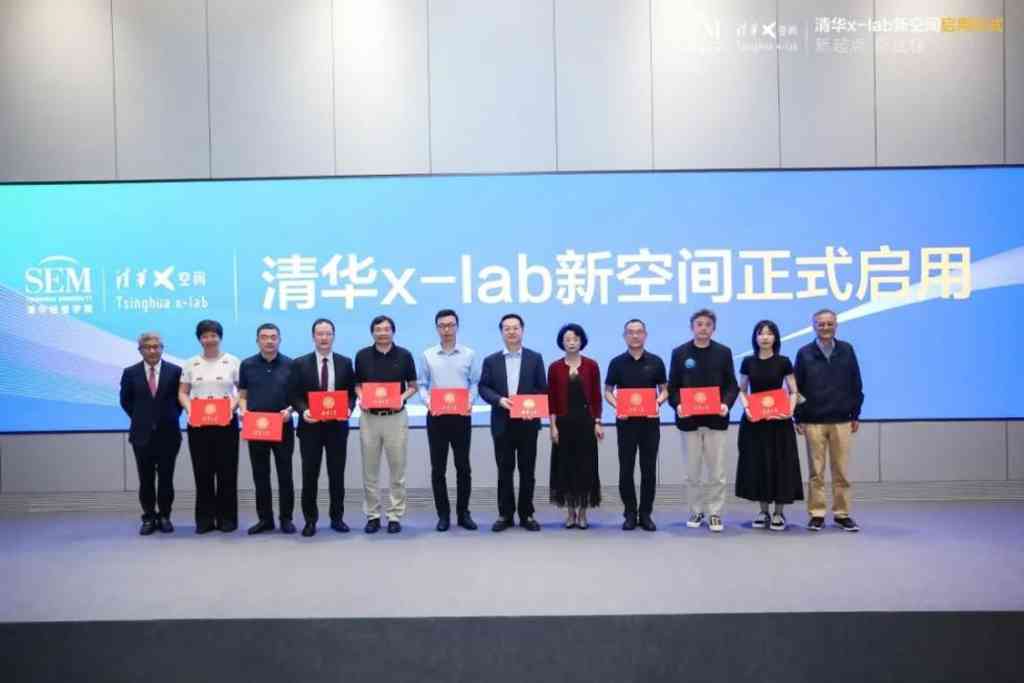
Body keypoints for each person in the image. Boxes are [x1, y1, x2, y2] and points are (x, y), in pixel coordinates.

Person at [667, 309, 738, 534]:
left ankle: (715, 512)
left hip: (716, 419)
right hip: (689, 420)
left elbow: (732, 385)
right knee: (692, 472)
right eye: (699, 324)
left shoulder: (723, 352)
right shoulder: (680, 353)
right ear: (692, 327)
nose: (703, 328)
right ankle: (696, 510)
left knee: (717, 472)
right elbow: (672, 386)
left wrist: (726, 404)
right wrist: (677, 405)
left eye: (708, 324)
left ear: (713, 328)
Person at [793, 308, 864, 532]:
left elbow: (856, 383)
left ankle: (842, 514)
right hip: (813, 421)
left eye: (829, 324)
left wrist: (855, 414)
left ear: (836, 325)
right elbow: (797, 389)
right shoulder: (804, 353)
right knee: (816, 472)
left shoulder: (847, 350)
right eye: (821, 324)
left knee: (841, 471)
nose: (825, 328)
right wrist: (798, 417)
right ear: (814, 326)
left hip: (842, 420)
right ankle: (817, 514)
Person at [478, 313, 548, 532]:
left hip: (528, 423)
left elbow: (542, 388)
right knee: (504, 470)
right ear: (501, 332)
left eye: (515, 327)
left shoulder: (535, 358)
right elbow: (483, 387)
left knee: (528, 471)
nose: (511, 332)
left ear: (522, 330)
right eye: (507, 328)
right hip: (502, 423)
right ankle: (505, 515)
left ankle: (527, 514)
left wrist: (531, 407)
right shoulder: (491, 360)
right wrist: (499, 400)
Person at [288, 318, 356, 537]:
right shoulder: (299, 363)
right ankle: (310, 520)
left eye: (328, 333)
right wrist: (303, 410)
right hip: (310, 428)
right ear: (313, 337)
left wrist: (349, 408)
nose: (324, 338)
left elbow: (352, 394)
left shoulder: (345, 362)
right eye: (320, 334)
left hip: (337, 428)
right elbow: (293, 394)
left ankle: (337, 518)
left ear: (333, 336)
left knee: (337, 475)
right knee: (310, 475)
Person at [735, 320, 803, 531]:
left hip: (779, 422)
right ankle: (763, 511)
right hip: (755, 422)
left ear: (775, 338)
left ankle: (779, 513)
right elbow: (741, 390)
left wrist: (789, 410)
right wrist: (747, 408)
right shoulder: (748, 362)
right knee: (759, 464)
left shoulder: (783, 361)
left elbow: (793, 391)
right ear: (755, 338)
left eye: (769, 333)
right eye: (761, 333)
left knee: (780, 464)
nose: (765, 337)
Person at [355, 315, 418, 534]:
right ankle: (372, 515)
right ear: (372, 332)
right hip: (369, 418)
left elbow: (413, 386)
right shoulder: (362, 355)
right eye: (378, 329)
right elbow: (357, 385)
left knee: (397, 470)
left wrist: (402, 397)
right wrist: (361, 397)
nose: (382, 333)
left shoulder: (404, 355)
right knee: (369, 471)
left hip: (395, 417)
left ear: (393, 331)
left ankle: (394, 515)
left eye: (386, 329)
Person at [417, 309, 479, 532]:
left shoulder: (469, 354)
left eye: (451, 325)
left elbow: (474, 383)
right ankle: (443, 515)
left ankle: (463, 514)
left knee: (463, 467)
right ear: (437, 329)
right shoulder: (428, 355)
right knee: (438, 469)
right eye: (442, 325)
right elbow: (422, 384)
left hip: (461, 417)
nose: (447, 329)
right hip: (437, 417)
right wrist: (429, 403)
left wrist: (469, 403)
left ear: (457, 327)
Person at [178, 319, 240, 533]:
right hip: (198, 425)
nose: (209, 339)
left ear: (220, 337)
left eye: (213, 335)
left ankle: (227, 519)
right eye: (205, 336)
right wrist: (191, 410)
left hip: (226, 424)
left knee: (227, 472)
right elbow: (182, 392)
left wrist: (230, 408)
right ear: (199, 339)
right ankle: (204, 520)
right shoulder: (190, 363)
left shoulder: (233, 361)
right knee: (202, 472)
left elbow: (242, 392)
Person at [604, 319, 667, 531]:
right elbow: (607, 391)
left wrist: (657, 403)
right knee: (626, 469)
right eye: (630, 332)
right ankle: (630, 513)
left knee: (649, 469)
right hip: (626, 423)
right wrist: (618, 406)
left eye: (639, 332)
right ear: (625, 336)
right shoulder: (616, 362)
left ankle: (646, 513)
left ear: (645, 335)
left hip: (650, 423)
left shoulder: (656, 362)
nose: (635, 335)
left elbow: (665, 390)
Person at [119, 331, 183, 535]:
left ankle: (164, 516)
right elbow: (126, 401)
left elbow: (180, 401)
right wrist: (143, 419)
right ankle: (148, 517)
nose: (152, 350)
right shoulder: (130, 372)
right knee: (145, 479)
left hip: (168, 434)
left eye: (156, 347)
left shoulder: (175, 371)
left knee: (166, 478)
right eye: (148, 347)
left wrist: (166, 417)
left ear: (162, 349)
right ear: (140, 350)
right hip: (141, 435)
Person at [238, 323, 295, 535]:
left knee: (285, 475)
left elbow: (296, 396)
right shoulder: (247, 365)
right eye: (264, 337)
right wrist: (243, 411)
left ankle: (286, 519)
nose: (269, 341)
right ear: (257, 340)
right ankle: (265, 519)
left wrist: (290, 410)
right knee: (260, 475)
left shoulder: (291, 364)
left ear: (280, 340)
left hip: (282, 426)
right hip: (256, 428)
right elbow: (242, 395)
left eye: (273, 337)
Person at [547, 323, 603, 529]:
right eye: (567, 339)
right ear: (562, 342)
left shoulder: (591, 365)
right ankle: (570, 513)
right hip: (564, 424)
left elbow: (596, 397)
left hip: (586, 424)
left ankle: (583, 513)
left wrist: (597, 422)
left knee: (586, 468)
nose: (571, 343)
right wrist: (553, 426)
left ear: (581, 342)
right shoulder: (554, 367)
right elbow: (551, 399)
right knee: (566, 468)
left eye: (575, 339)